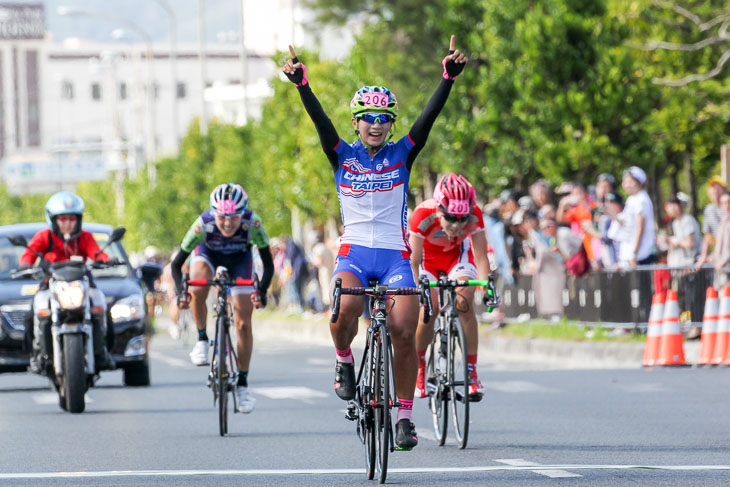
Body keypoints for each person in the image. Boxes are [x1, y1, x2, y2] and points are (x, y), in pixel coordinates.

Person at [282, 36, 467, 450]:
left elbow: (428, 118)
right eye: (367, 116)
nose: (376, 123)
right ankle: (344, 359)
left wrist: (448, 79)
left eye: (384, 117)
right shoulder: (342, 155)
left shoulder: (403, 153)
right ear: (356, 122)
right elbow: (319, 121)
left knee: (404, 331)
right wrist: (302, 86)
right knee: (346, 306)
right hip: (354, 252)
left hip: (394, 254)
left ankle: (403, 416)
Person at [171, 183, 274, 414]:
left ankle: (243, 385)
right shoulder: (203, 223)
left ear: (243, 214)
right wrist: (181, 292)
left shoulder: (253, 223)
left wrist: (262, 291)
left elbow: (268, 264)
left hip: (240, 260)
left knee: (243, 323)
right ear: (213, 214)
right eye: (222, 218)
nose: (227, 223)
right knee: (197, 285)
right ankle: (201, 338)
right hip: (208, 255)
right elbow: (177, 264)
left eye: (234, 218)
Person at [409, 174, 494, 402]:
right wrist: (417, 292)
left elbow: (481, 257)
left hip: (457, 258)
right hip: (428, 262)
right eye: (451, 218)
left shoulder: (475, 214)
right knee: (429, 309)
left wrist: (486, 289)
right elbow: (414, 262)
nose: (457, 225)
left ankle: (472, 374)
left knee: (464, 302)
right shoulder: (422, 215)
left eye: (462, 219)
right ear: (439, 210)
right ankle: (418, 366)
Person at [19, 192, 112, 373]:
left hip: (81, 284)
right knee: (34, 312)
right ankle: (38, 354)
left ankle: (101, 352)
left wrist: (106, 260)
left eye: (72, 218)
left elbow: (97, 253)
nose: (68, 223)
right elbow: (29, 254)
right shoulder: (44, 237)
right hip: (51, 284)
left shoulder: (84, 237)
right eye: (63, 219)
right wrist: (25, 265)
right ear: (53, 220)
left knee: (101, 303)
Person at [610, 166, 656, 267]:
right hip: (630, 253)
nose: (626, 185)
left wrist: (634, 253)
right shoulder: (631, 199)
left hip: (641, 254)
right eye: (625, 182)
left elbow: (640, 227)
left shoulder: (642, 200)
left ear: (639, 182)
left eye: (630, 182)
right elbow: (625, 223)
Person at [695, 176, 726, 270]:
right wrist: (704, 255)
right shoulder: (709, 210)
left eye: (717, 187)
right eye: (712, 188)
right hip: (719, 255)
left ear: (723, 190)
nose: (714, 190)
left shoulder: (727, 209)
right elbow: (708, 235)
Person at [664, 193, 701, 268]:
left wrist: (676, 242)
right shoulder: (675, 223)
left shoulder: (687, 220)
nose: (671, 209)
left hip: (695, 260)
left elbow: (690, 243)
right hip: (685, 262)